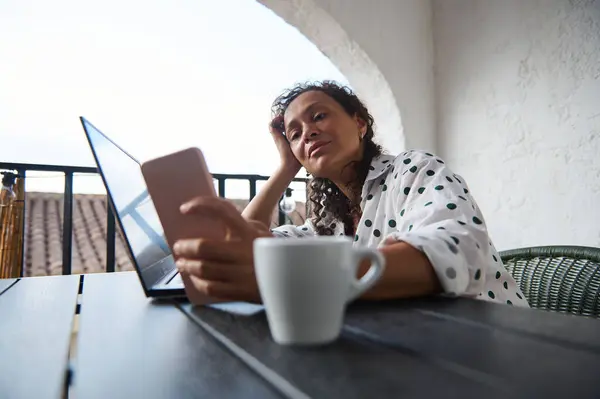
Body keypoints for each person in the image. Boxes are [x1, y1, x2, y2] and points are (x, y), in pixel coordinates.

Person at [174, 81, 529, 308]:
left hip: (492, 343)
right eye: (294, 133)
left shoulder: (413, 169)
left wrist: (288, 279)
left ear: (360, 124)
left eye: (318, 116)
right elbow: (246, 245)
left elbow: (458, 252)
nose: (307, 133)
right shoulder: (327, 220)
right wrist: (285, 168)